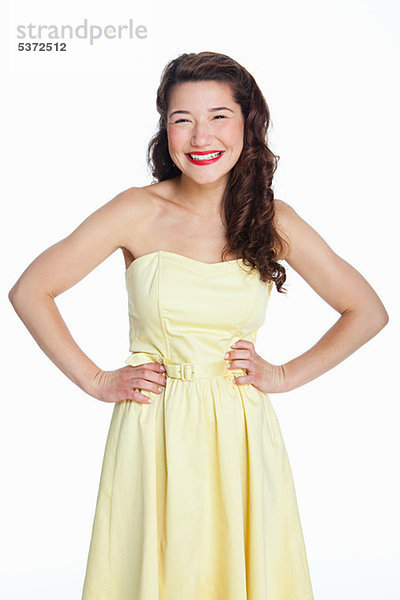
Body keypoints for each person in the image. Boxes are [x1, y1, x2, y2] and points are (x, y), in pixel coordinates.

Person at [8, 51, 389, 600]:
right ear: (164, 130)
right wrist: (95, 380)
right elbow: (30, 290)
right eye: (181, 118)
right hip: (152, 426)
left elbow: (367, 311)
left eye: (218, 116)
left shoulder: (271, 218)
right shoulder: (135, 210)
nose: (199, 135)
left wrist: (282, 375)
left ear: (247, 123)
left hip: (239, 428)